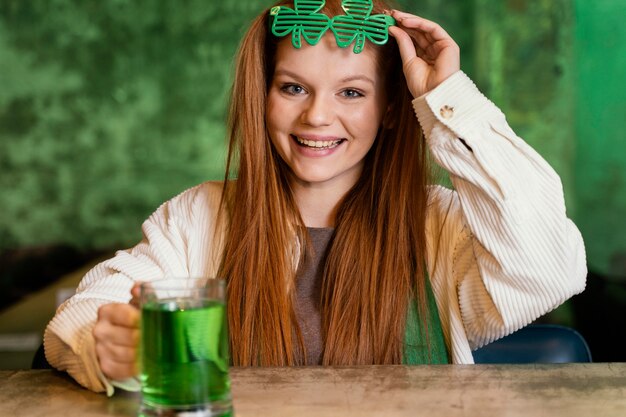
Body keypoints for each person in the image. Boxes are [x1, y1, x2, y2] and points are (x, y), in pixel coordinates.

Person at [44, 0, 587, 394]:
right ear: (265, 97)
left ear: (393, 108)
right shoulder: (198, 217)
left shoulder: (440, 225)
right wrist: (113, 348)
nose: (317, 116)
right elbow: (85, 312)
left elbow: (547, 266)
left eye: (352, 92)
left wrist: (448, 102)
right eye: (293, 87)